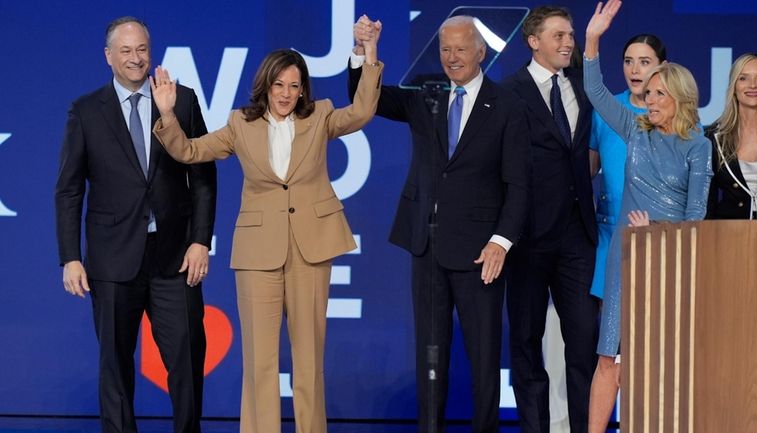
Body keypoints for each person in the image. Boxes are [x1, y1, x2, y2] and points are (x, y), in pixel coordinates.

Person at [150, 19, 383, 433]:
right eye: (280, 85)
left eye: (294, 86)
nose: (287, 94)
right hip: (259, 254)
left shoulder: (322, 117)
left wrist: (368, 51)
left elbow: (364, 110)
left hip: (311, 249)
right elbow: (189, 151)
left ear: (303, 90)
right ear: (266, 85)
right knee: (259, 361)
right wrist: (167, 115)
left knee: (309, 360)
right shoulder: (241, 124)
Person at [349, 15, 531, 433]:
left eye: (461, 48)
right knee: (430, 356)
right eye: (445, 49)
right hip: (427, 245)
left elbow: (519, 184)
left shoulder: (506, 105)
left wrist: (501, 242)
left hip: (480, 251)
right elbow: (366, 101)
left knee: (484, 358)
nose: (451, 57)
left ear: (480, 52)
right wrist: (365, 52)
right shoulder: (424, 95)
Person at [54, 17, 216, 433]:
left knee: (186, 357)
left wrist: (200, 241)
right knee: (115, 366)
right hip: (111, 260)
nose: (135, 58)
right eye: (125, 51)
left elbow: (203, 179)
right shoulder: (86, 111)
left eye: (142, 49)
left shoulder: (182, 101)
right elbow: (69, 190)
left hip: (174, 257)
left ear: (151, 50)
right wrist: (70, 257)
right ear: (108, 57)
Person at [583, 1, 712, 432]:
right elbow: (597, 93)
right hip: (626, 258)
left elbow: (696, 217)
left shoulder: (698, 145)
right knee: (608, 355)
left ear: (679, 98)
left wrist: (654, 232)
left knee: (658, 361)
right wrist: (592, 39)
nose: (648, 100)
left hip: (671, 263)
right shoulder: (635, 130)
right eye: (648, 92)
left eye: (658, 94)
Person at [500, 6, 599, 433]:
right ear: (533, 41)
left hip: (578, 235)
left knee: (584, 346)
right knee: (525, 343)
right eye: (558, 35)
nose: (568, 42)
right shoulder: (508, 92)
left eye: (571, 35)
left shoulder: (583, 86)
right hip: (527, 238)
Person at [588, 34, 667, 299]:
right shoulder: (605, 111)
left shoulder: (679, 117)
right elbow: (586, 171)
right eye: (628, 61)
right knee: (610, 330)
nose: (634, 70)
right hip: (610, 236)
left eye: (644, 62)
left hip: (659, 238)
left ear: (662, 67)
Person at [706, 53, 757, 219]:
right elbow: (707, 201)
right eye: (743, 78)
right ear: (734, 87)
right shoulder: (713, 137)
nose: (753, 85)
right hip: (728, 237)